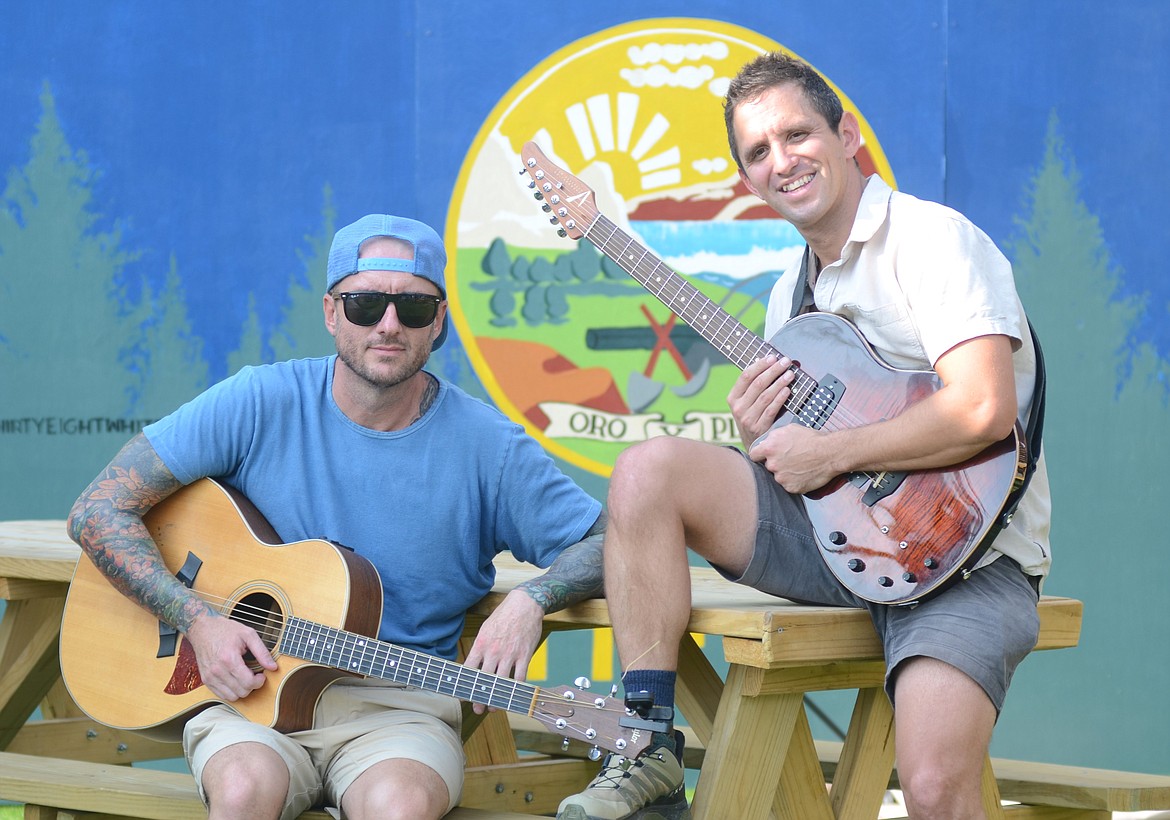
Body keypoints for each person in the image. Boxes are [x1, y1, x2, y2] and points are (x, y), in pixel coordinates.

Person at [556, 52, 1050, 820]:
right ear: (747, 179)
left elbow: (983, 410)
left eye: (796, 134)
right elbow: (811, 456)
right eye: (758, 152)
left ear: (846, 133)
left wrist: (832, 450)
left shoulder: (933, 241)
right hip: (841, 538)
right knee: (648, 470)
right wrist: (760, 431)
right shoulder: (792, 293)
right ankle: (648, 745)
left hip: (964, 557)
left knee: (931, 788)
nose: (780, 160)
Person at [67, 214, 607, 820]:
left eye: (414, 309)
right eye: (364, 303)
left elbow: (613, 542)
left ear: (441, 324)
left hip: (400, 713)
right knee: (245, 791)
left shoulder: (490, 448)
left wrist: (532, 599)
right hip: (249, 698)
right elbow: (97, 509)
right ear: (330, 313)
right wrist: (196, 618)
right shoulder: (258, 401)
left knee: (397, 808)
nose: (388, 324)